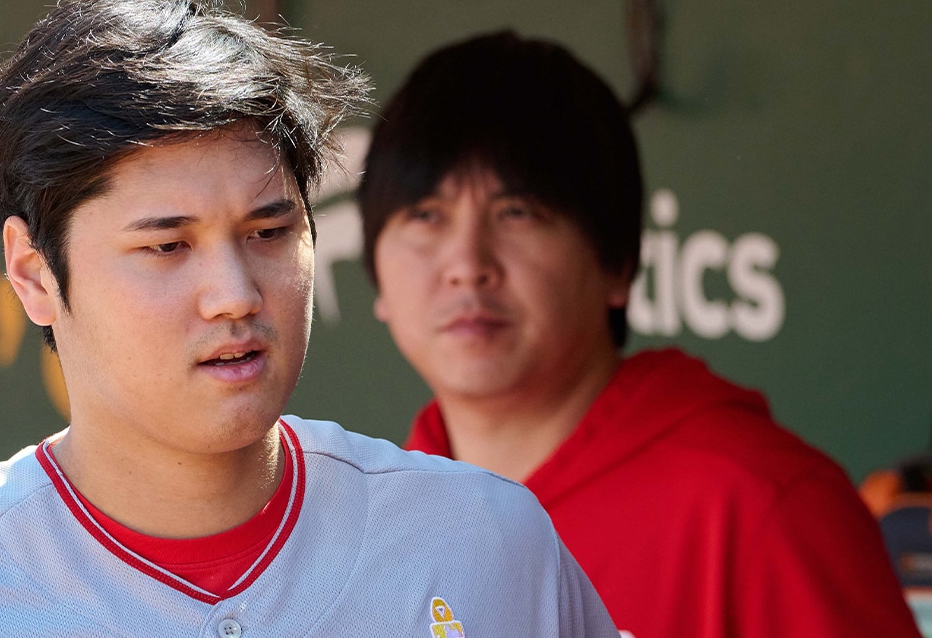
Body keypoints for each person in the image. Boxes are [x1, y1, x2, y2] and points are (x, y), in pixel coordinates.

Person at [0, 0, 618, 636]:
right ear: (32, 272)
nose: (235, 295)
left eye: (270, 232)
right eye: (166, 247)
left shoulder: (481, 543)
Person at [357, 31, 920, 638]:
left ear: (619, 264)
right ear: (377, 275)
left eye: (517, 213)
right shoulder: (374, 517)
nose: (467, 263)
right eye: (425, 216)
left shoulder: (761, 504)